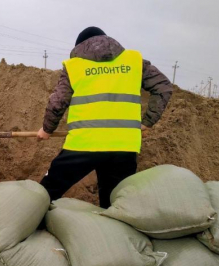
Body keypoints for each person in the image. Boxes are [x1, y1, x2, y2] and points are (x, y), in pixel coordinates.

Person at [37, 26, 173, 208]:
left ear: (79, 47)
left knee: (45, 193)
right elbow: (163, 87)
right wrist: (147, 123)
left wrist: (47, 129)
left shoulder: (74, 66)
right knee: (114, 204)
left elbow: (58, 102)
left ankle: (26, 225)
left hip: (84, 145)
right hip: (123, 147)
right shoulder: (134, 61)